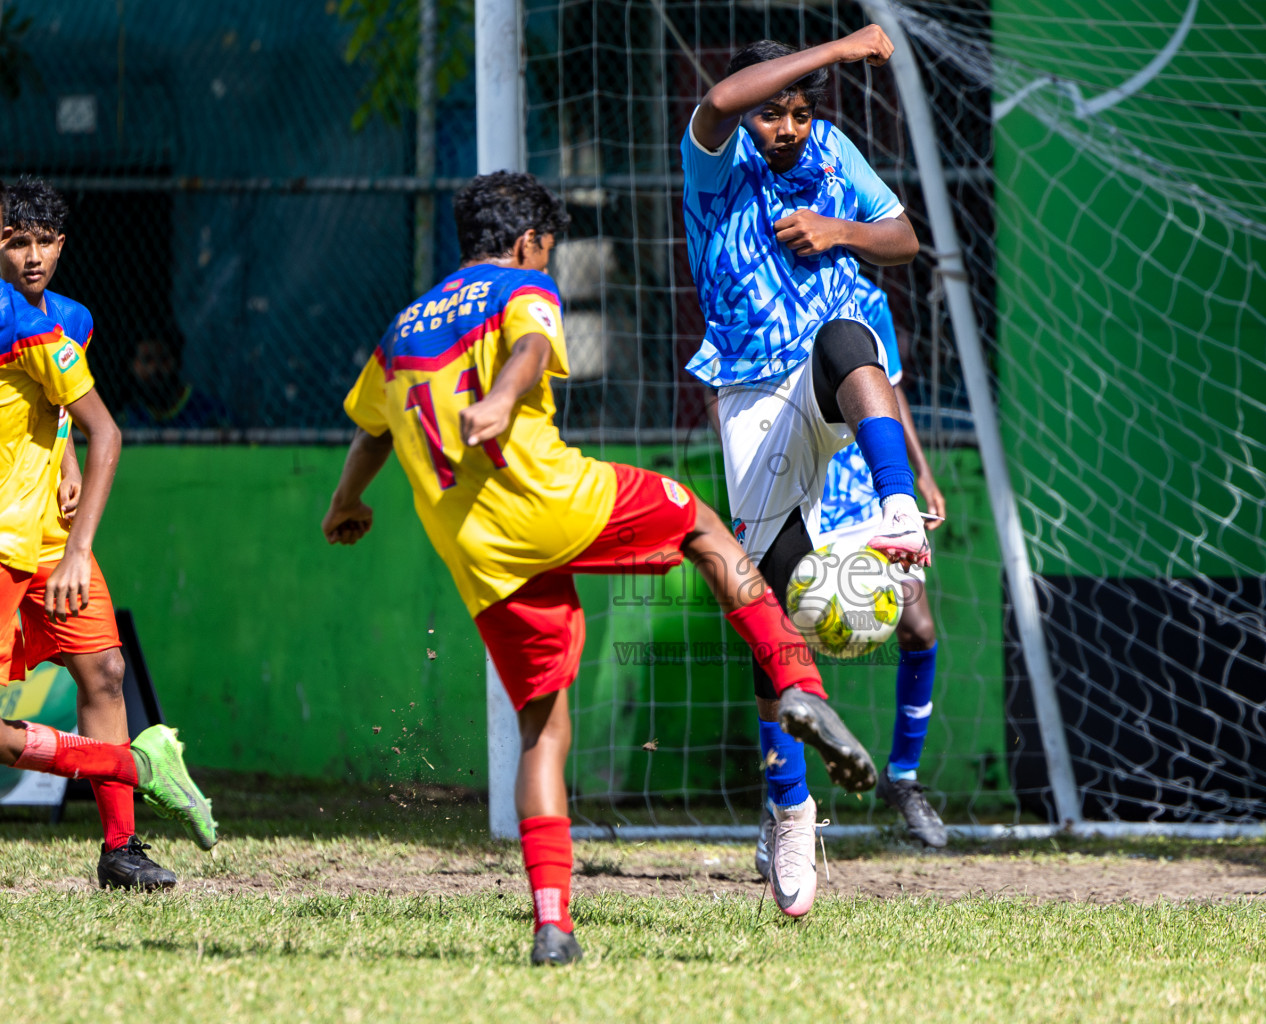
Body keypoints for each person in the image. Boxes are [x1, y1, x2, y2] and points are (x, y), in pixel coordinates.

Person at [322, 172, 877, 960]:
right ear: (528, 243)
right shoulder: (522, 286)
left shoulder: (402, 330)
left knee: (542, 731)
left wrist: (345, 502)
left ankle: (553, 924)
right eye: (547, 252)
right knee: (709, 533)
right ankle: (800, 687)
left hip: (477, 550)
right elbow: (534, 345)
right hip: (552, 498)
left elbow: (372, 429)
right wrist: (504, 401)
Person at [681, 28, 924, 916]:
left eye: (800, 112)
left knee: (850, 341)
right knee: (771, 606)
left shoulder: (829, 150)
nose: (788, 125)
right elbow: (719, 103)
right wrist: (839, 51)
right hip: (751, 394)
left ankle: (896, 503)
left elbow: (901, 237)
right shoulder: (711, 157)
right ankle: (789, 808)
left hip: (822, 376)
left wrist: (840, 230)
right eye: (774, 111)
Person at [0, 182, 217, 876]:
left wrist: (65, 466)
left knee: (106, 670)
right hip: (8, 536)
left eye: (43, 241)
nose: (32, 256)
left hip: (49, 540)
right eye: (15, 241)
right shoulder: (16, 321)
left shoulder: (69, 321)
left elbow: (71, 413)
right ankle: (137, 761)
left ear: (62, 244)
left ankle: (120, 850)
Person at [749, 274, 947, 871]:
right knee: (777, 643)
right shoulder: (756, 283)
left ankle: (903, 779)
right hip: (797, 482)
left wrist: (917, 472)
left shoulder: (863, 296)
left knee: (917, 628)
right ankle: (781, 802)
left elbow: (886, 390)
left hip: (862, 486)